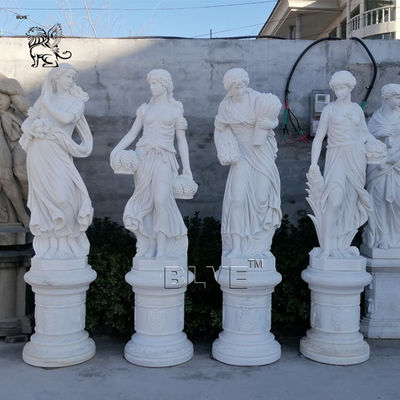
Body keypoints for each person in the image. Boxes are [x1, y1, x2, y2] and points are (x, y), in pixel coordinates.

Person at [110, 69, 194, 259]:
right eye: (151, 83)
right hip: (144, 158)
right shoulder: (144, 109)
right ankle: (149, 245)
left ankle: (162, 247)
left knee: (161, 200)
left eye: (155, 83)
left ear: (165, 85)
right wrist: (116, 150)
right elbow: (133, 133)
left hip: (164, 158)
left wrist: (187, 169)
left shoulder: (176, 110)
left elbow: (181, 141)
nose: (152, 87)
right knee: (145, 202)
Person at [308, 70, 385, 257]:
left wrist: (377, 144)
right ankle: (327, 247)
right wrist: (313, 163)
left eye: (342, 87)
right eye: (336, 88)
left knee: (350, 201)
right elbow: (318, 138)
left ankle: (341, 246)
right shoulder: (329, 109)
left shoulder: (357, 109)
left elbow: (365, 134)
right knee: (334, 199)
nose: (338, 92)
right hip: (336, 155)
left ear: (350, 87)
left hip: (356, 157)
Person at [20, 64, 93, 259]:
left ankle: (69, 243)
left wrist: (47, 103)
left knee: (63, 196)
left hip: (59, 152)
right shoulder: (44, 99)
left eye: (73, 78)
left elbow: (66, 119)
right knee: (44, 199)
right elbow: (26, 123)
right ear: (56, 78)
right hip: (38, 152)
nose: (71, 81)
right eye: (68, 77)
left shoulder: (76, 102)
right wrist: (33, 128)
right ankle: (50, 246)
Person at [214, 68, 282, 258]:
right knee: (237, 199)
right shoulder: (225, 107)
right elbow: (219, 128)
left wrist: (268, 124)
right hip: (242, 155)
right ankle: (236, 247)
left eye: (243, 85)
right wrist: (223, 147)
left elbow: (273, 121)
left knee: (261, 199)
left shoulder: (257, 99)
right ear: (229, 87)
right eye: (236, 86)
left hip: (262, 154)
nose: (240, 89)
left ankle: (258, 246)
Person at [363, 83, 400, 249]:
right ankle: (381, 236)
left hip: (396, 165)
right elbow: (365, 139)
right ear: (386, 98)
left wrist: (394, 157)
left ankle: (396, 237)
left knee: (396, 201)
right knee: (378, 201)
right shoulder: (376, 119)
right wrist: (378, 134)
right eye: (397, 97)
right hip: (378, 167)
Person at [0, 73, 30, 227]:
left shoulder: (8, 84)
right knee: (5, 175)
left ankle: (36, 209)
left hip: (15, 135)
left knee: (21, 173)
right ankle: (22, 215)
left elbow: (27, 111)